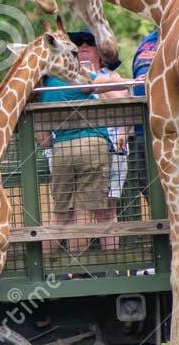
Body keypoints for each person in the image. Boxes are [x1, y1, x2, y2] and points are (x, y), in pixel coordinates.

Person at [41, 30, 128, 260]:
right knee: (82, 212)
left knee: (61, 214)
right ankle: (81, 271)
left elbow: (41, 132)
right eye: (78, 44)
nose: (83, 46)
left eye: (90, 43)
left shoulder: (47, 81)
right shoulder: (80, 76)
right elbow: (113, 91)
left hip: (61, 149)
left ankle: (45, 268)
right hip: (91, 145)